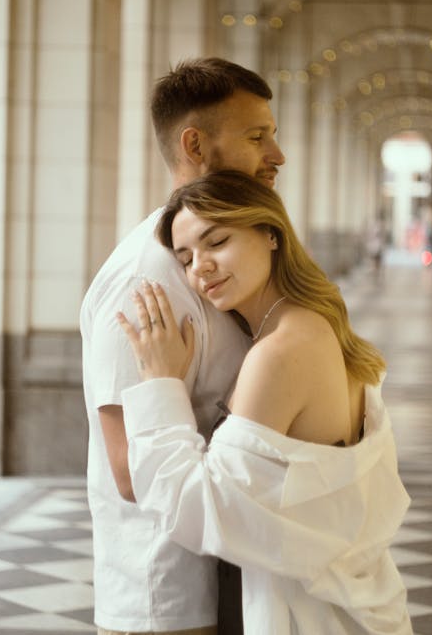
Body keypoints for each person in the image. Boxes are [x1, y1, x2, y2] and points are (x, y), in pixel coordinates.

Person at [117, 170, 413, 635]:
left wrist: (160, 384)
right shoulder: (311, 324)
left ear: (269, 232)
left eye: (216, 241)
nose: (200, 268)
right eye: (186, 257)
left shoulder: (279, 353)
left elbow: (201, 509)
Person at [80, 60, 285, 635]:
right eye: (256, 136)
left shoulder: (202, 265)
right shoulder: (145, 281)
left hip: (225, 575)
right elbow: (128, 471)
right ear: (195, 144)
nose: (277, 154)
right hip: (164, 597)